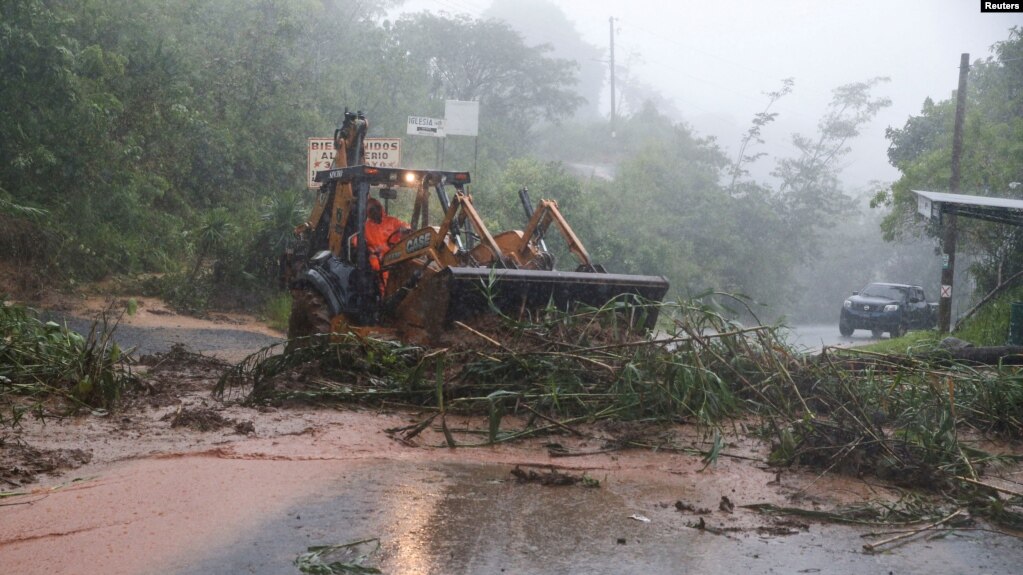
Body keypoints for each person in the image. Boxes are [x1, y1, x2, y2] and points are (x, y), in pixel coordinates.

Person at [362, 197, 409, 292]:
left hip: (396, 255)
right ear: (368, 213)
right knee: (379, 269)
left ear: (380, 208)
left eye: (376, 208)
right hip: (379, 259)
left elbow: (404, 226)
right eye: (371, 210)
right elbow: (359, 241)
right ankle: (384, 296)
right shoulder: (366, 227)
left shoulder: (392, 221)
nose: (375, 212)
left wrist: (404, 228)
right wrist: (373, 252)